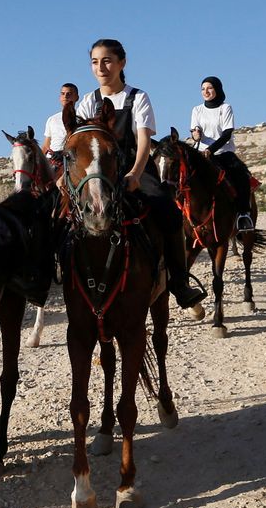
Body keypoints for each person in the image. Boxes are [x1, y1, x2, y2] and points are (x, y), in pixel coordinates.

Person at [74, 38, 206, 309]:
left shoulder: (137, 97)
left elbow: (144, 140)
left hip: (135, 168)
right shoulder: (88, 101)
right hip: (100, 171)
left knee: (168, 212)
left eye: (107, 60)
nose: (101, 67)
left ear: (122, 63)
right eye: (95, 62)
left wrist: (135, 173)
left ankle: (179, 282)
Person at [190, 76, 254, 232]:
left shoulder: (225, 108)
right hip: (201, 155)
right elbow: (194, 131)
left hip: (223, 153)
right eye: (203, 89)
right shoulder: (197, 110)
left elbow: (226, 134)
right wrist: (195, 135)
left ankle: (243, 214)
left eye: (209, 88)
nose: (206, 91)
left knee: (242, 175)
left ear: (217, 89)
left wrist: (210, 150)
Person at [42, 82, 80, 173]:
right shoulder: (52, 119)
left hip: (72, 159)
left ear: (77, 98)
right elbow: (46, 145)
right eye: (62, 94)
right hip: (53, 160)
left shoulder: (81, 118)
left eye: (69, 94)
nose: (65, 96)